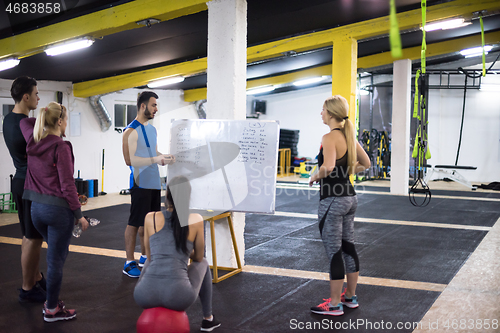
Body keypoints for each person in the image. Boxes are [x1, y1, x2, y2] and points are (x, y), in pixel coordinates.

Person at [20, 102, 89, 322]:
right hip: (58, 213)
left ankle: (52, 301)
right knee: (56, 261)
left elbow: (25, 121)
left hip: (36, 211)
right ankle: (51, 310)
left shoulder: (33, 141)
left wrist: (45, 116)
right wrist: (80, 216)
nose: (66, 123)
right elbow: (67, 184)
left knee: (54, 256)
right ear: (59, 121)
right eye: (65, 119)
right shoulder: (61, 146)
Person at [309, 95, 370, 316]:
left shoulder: (329, 137)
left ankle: (334, 305)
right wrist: (345, 172)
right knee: (348, 248)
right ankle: (350, 297)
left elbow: (328, 166)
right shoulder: (349, 137)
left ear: (332, 114)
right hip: (350, 198)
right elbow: (367, 163)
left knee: (334, 252)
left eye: (323, 109)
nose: (321, 113)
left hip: (332, 200)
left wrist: (314, 177)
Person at [134, 176, 221, 332]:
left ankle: (150, 291)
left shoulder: (150, 217)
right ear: (188, 196)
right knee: (204, 263)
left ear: (167, 195)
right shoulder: (196, 220)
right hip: (178, 296)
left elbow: (149, 254)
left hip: (143, 295)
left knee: (150, 261)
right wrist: (183, 251)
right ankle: (208, 319)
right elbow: (199, 257)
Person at [122, 91, 175, 277]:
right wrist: (156, 158)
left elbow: (153, 152)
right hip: (139, 183)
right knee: (135, 223)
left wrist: (165, 157)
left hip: (153, 182)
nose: (156, 109)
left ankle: (146, 256)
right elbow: (130, 160)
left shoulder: (152, 130)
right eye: (153, 105)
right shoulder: (130, 131)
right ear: (143, 106)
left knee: (150, 223)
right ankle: (129, 262)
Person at [3, 76, 46, 302]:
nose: (38, 97)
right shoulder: (27, 123)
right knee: (33, 238)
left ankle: (35, 277)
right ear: (26, 96)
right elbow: (43, 152)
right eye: (36, 94)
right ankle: (27, 287)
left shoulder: (8, 120)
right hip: (30, 184)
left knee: (29, 237)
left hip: (20, 182)